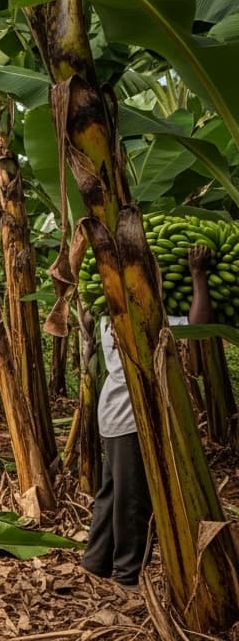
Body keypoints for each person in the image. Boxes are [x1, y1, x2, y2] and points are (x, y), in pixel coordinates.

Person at [83, 244, 212, 588]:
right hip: (130, 418)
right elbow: (199, 328)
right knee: (133, 499)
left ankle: (95, 563)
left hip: (114, 416)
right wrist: (198, 276)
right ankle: (126, 575)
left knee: (114, 493)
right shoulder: (136, 317)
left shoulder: (114, 312)